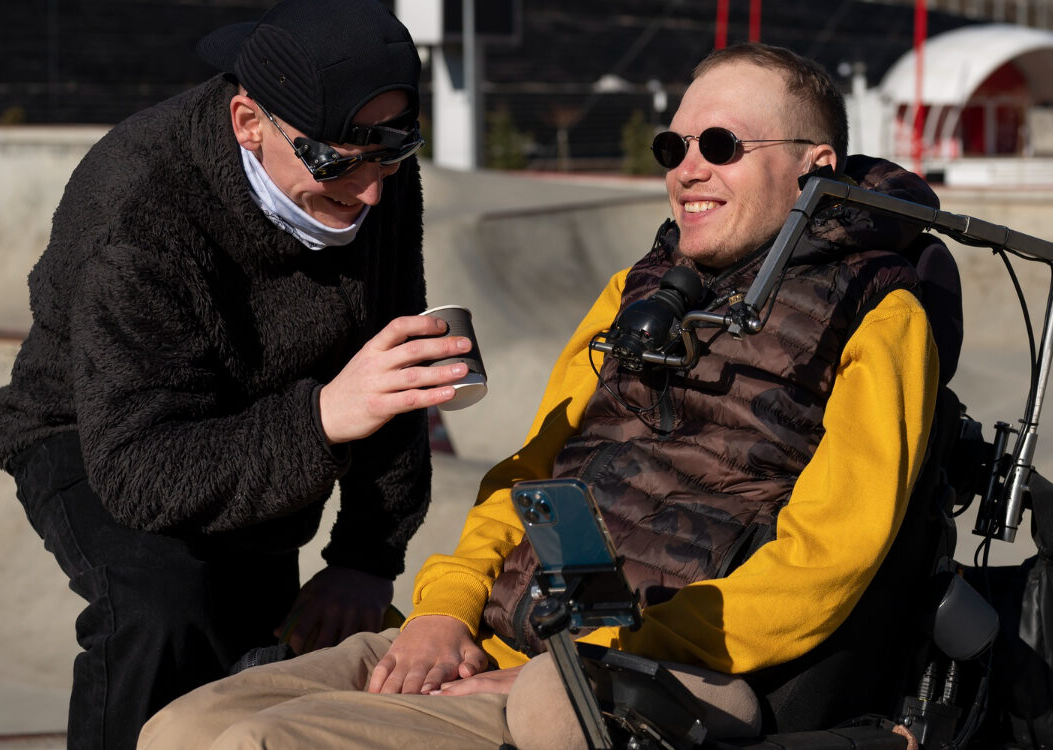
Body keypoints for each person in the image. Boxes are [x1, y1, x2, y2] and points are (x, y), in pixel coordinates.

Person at [138, 42, 944, 750]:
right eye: (676, 144)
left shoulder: (881, 315)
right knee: (176, 732)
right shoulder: (640, 290)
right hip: (499, 633)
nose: (687, 168)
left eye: (722, 145)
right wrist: (442, 613)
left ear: (817, 168)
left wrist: (585, 666)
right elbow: (530, 481)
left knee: (255, 745)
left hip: (640, 673)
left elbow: (824, 565)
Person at [0, 2, 469, 748]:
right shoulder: (138, 203)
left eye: (394, 152)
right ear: (249, 122)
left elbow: (393, 359)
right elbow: (138, 471)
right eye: (338, 162)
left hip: (271, 419)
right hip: (96, 430)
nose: (370, 190)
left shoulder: (371, 165)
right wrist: (323, 419)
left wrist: (366, 561)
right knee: (162, 606)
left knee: (264, 654)